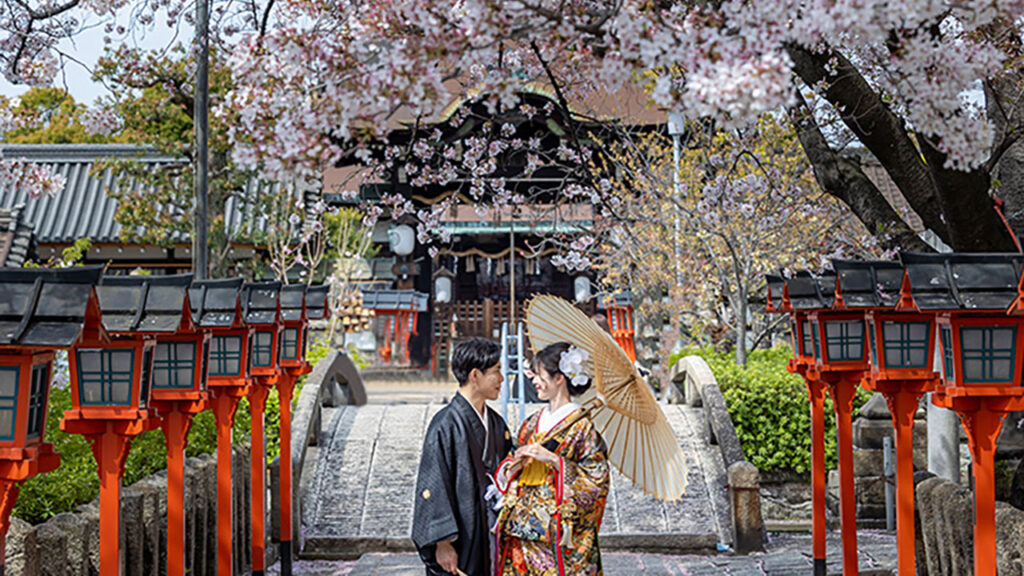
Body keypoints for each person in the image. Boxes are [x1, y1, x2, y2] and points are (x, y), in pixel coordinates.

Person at [493, 342, 610, 575]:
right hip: (521, 523)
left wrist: (554, 461)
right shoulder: (531, 422)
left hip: (556, 528)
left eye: (539, 375)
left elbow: (597, 479)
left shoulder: (582, 426)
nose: (534, 381)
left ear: (560, 378)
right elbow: (508, 458)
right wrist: (511, 468)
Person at [413, 338, 513, 576]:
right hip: (461, 534)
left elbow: (508, 465)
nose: (502, 379)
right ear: (475, 375)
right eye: (497, 371)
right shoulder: (445, 424)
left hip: (493, 530)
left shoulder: (497, 423)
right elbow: (433, 485)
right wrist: (442, 542)